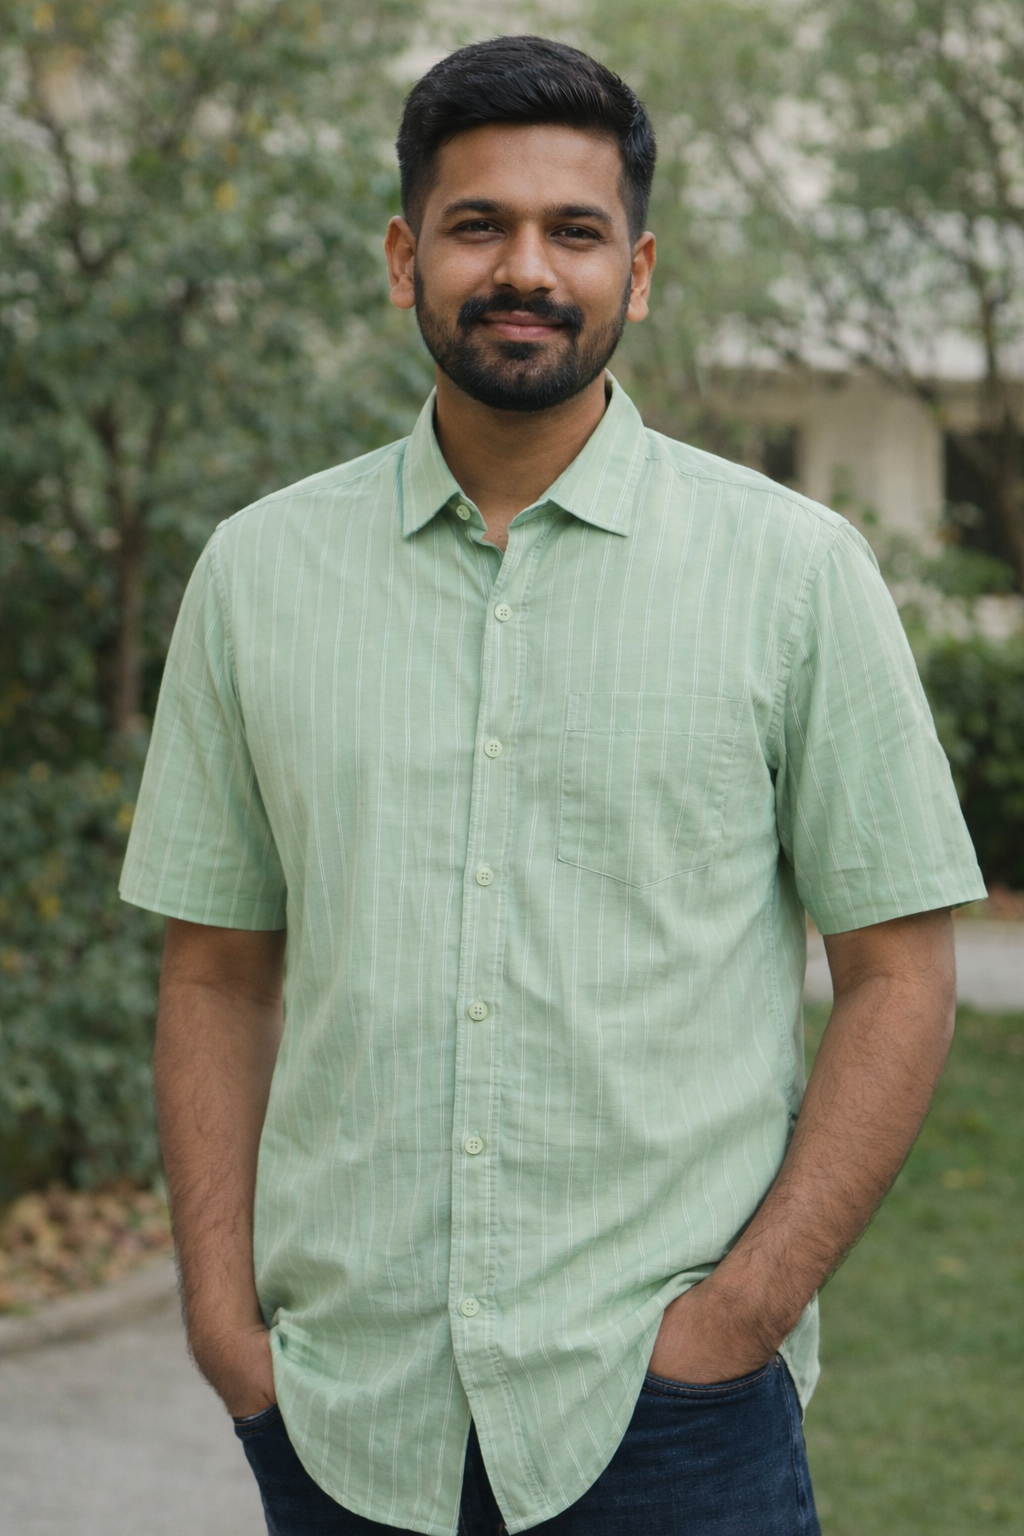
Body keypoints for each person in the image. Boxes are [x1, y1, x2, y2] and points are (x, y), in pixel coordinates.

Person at [120, 34, 986, 1536]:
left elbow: (903, 973)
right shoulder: (258, 575)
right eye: (479, 226)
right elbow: (213, 971)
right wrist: (222, 1322)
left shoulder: (794, 576)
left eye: (573, 231)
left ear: (637, 273)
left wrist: (738, 1320)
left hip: (670, 1417)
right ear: (406, 258)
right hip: (343, 1413)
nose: (526, 268)